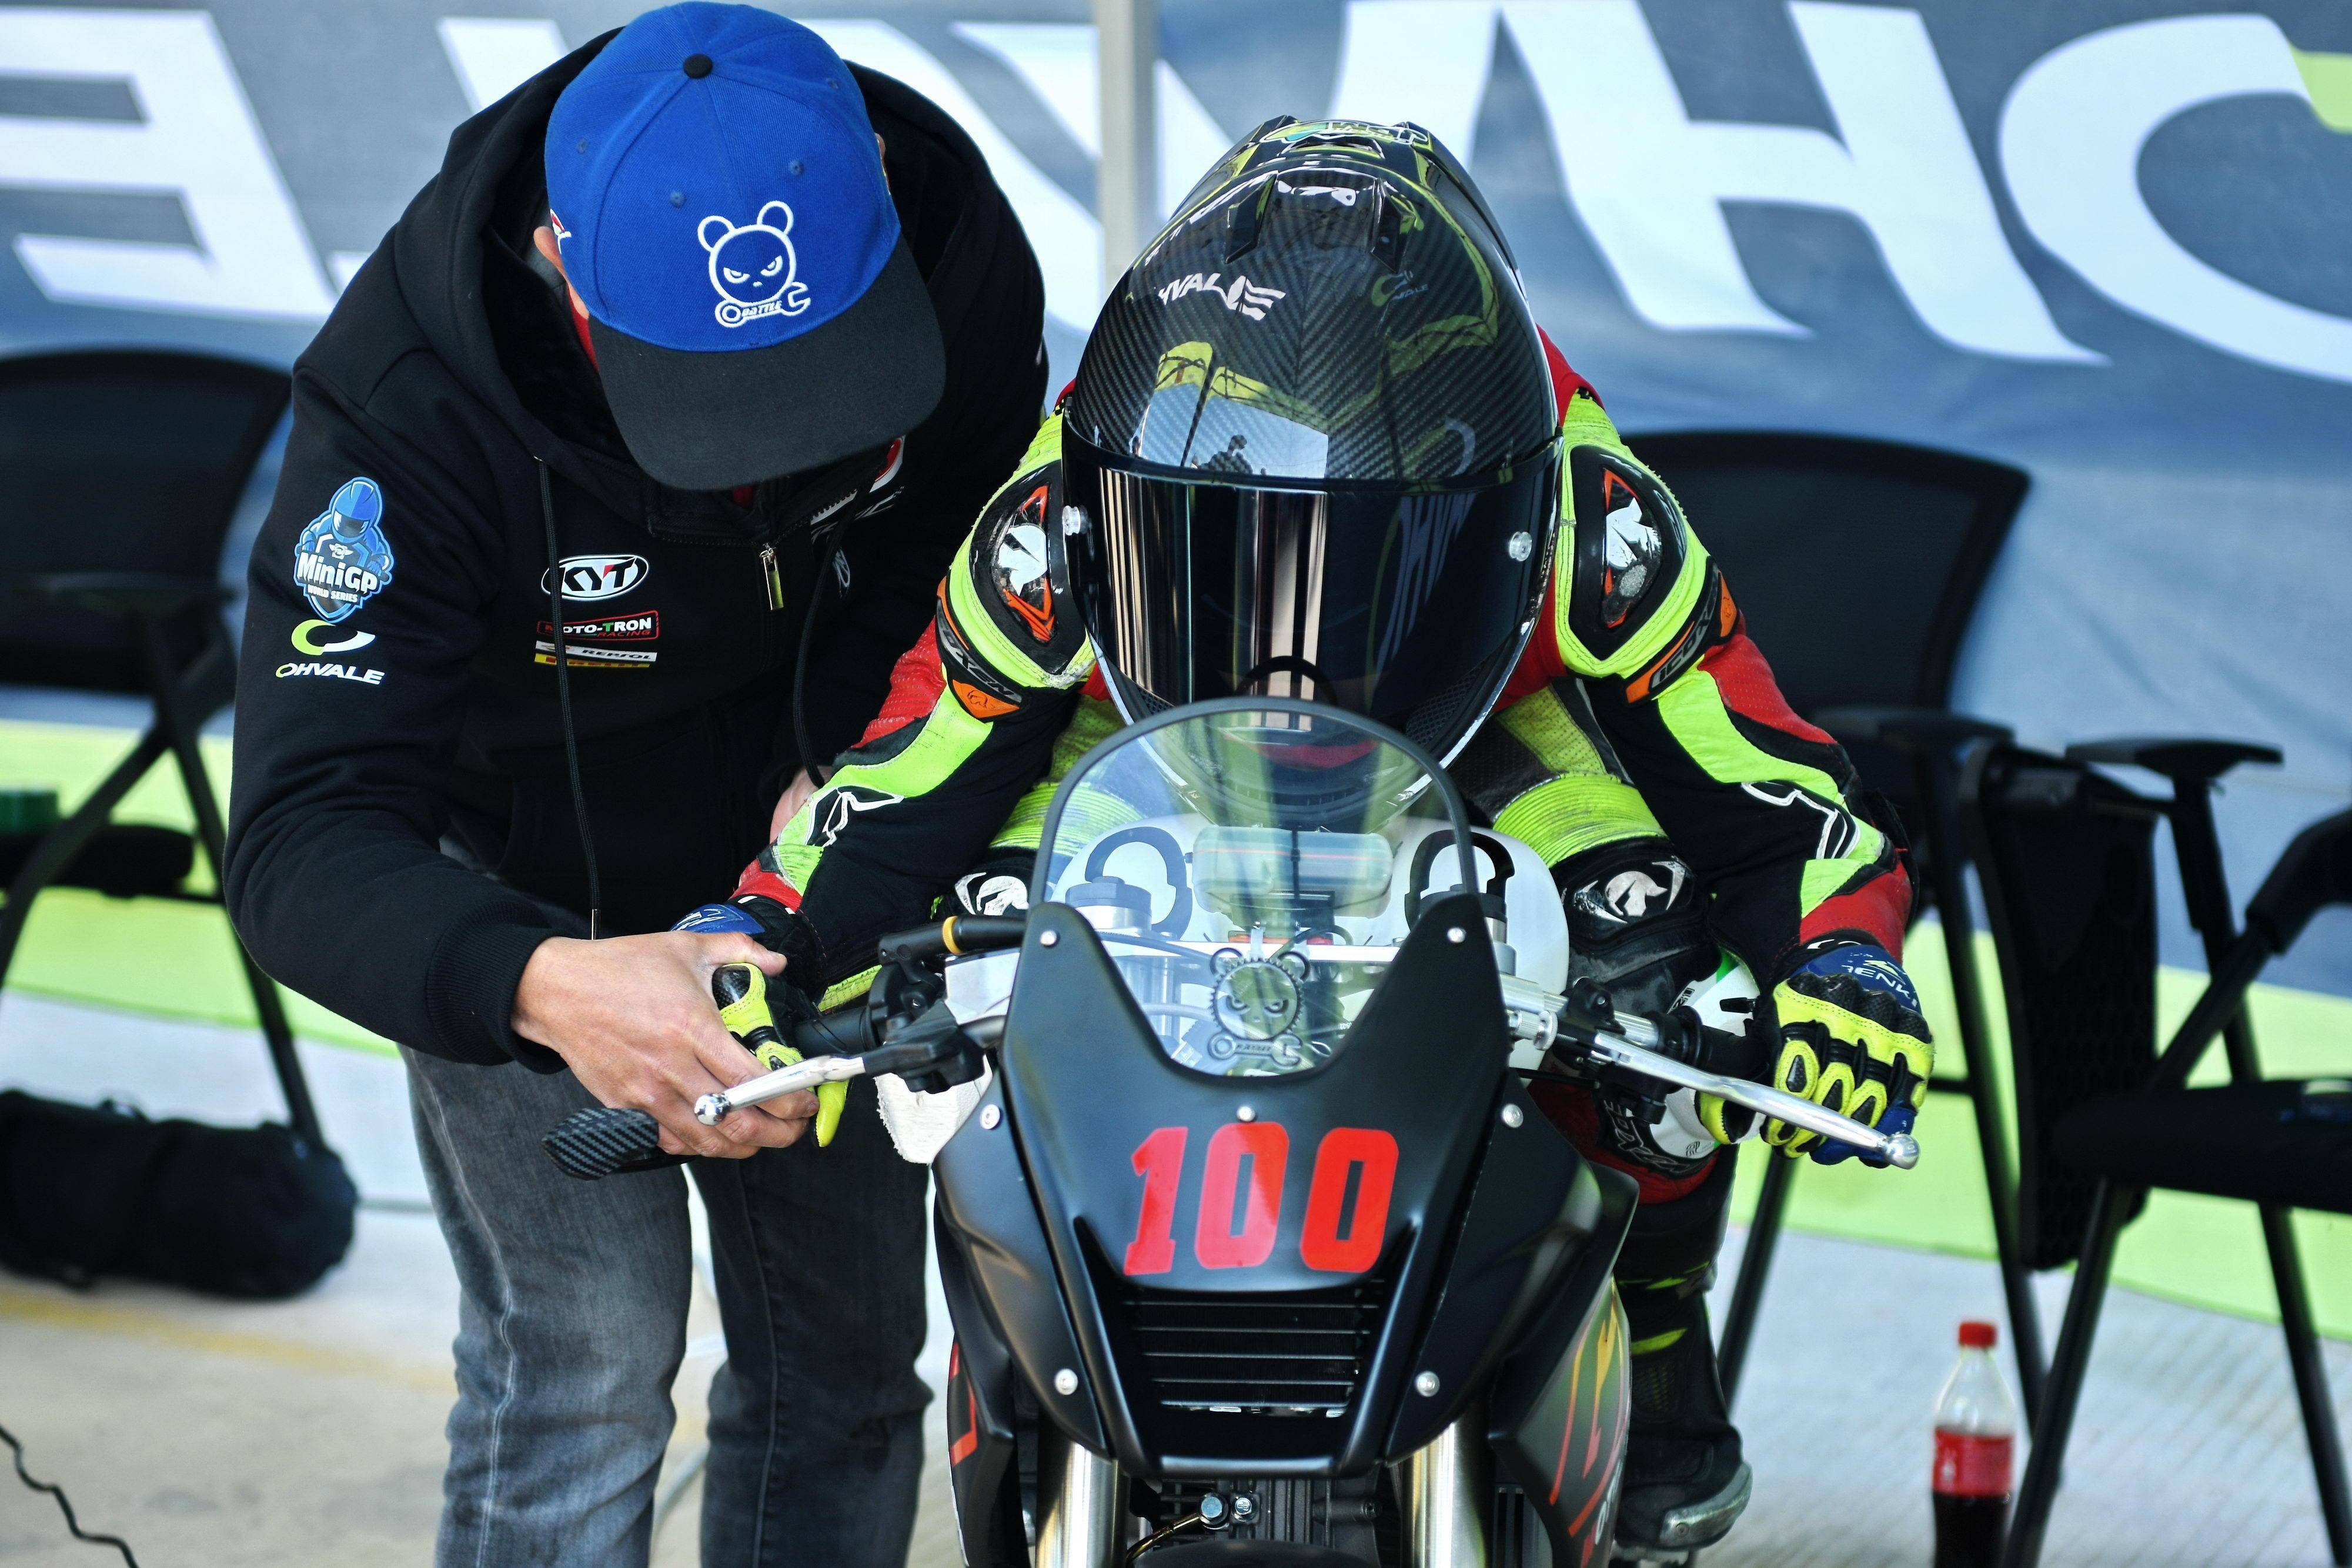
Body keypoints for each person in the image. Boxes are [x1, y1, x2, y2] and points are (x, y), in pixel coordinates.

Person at [687, 118, 1933, 1562]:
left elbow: (1772, 786)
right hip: (1135, 748)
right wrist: (765, 932)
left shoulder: (1591, 518)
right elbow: (915, 768)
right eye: (1219, 554)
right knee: (975, 932)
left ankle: (1654, 1313)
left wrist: (1846, 966)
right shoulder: (1053, 514)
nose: (1289, 627)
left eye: (1356, 568)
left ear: (1493, 509)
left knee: (1659, 954)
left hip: (1480, 743)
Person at [223, 5, 1045, 1564]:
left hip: (825, 873)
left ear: (876, 189)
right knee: (584, 1369)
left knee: (848, 1363)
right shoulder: (408, 401)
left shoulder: (950, 245)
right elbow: (299, 836)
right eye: (721, 404)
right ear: (563, 262)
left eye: (827, 380)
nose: (773, 457)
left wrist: (849, 770)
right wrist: (545, 981)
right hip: (527, 895)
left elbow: (962, 564)